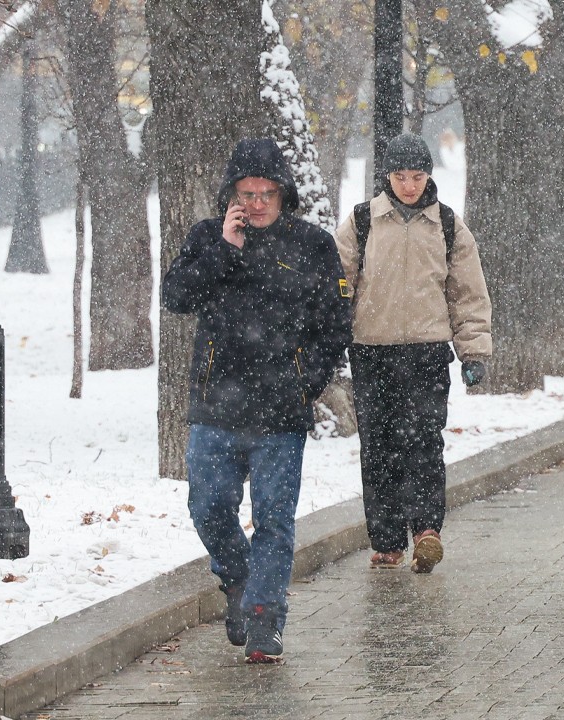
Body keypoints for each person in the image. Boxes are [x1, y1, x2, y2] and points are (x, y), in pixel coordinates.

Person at [161, 138, 352, 664]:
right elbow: (176, 297)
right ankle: (239, 579)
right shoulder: (208, 237)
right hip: (215, 407)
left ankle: (265, 618)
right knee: (208, 506)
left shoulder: (311, 245)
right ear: (231, 195)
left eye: (269, 192)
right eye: (249, 193)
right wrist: (226, 248)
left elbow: (335, 323)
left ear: (284, 194)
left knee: (274, 518)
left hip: (280, 412)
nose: (259, 202)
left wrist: (303, 381)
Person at [333, 133, 492, 574]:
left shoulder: (446, 226)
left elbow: (468, 294)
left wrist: (473, 352)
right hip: (372, 352)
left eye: (417, 176)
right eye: (400, 177)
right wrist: (329, 340)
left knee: (423, 442)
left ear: (429, 176)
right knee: (379, 449)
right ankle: (386, 541)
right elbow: (337, 286)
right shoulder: (362, 222)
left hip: (426, 354)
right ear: (387, 177)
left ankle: (426, 531)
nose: (408, 185)